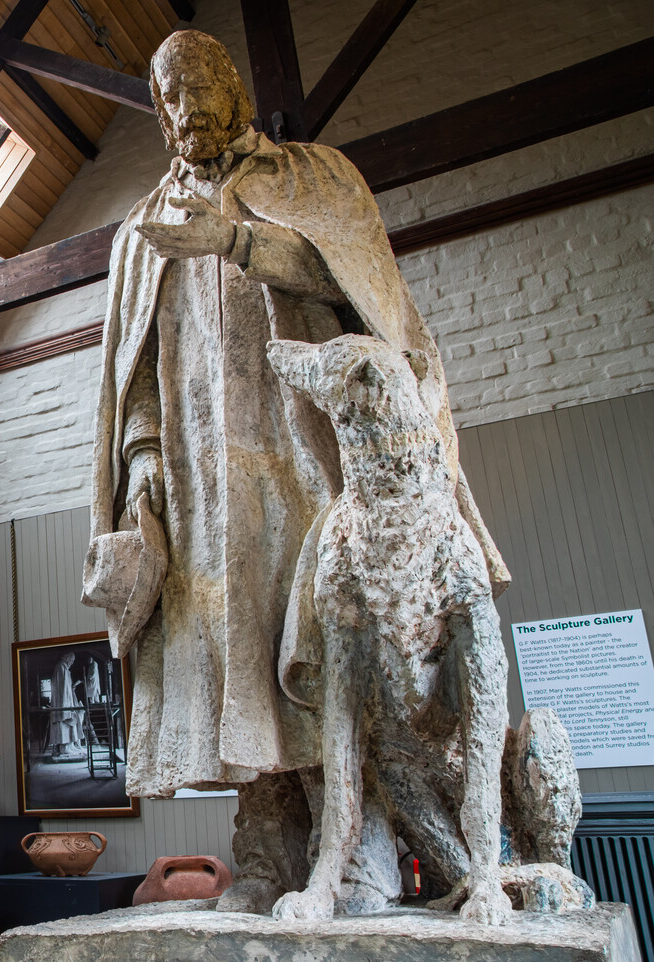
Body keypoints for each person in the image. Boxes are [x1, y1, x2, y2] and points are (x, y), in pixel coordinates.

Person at [86, 29, 509, 911]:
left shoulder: (309, 177)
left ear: (236, 95)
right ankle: (270, 856)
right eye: (169, 98)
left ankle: (356, 849)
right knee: (227, 655)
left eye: (201, 91)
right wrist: (142, 456)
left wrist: (235, 242)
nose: (186, 112)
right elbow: (129, 370)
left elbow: (365, 291)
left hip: (302, 454)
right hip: (201, 485)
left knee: (324, 641)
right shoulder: (140, 231)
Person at [49, 651, 86, 759]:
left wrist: (73, 686)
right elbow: (62, 690)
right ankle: (64, 748)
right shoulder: (60, 668)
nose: (72, 663)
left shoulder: (65, 669)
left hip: (68, 701)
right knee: (65, 722)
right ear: (67, 659)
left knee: (73, 722)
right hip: (63, 703)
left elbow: (67, 688)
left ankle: (70, 745)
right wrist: (66, 707)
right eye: (71, 660)